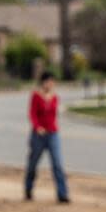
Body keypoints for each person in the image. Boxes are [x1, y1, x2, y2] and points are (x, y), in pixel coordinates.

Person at [24, 72, 70, 203]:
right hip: (38, 135)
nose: (51, 84)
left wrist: (52, 127)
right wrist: (38, 127)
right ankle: (28, 189)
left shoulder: (55, 97)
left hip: (52, 134)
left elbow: (54, 115)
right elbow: (32, 114)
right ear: (43, 82)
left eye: (52, 82)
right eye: (48, 81)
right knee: (33, 164)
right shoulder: (36, 96)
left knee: (57, 164)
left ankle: (62, 194)